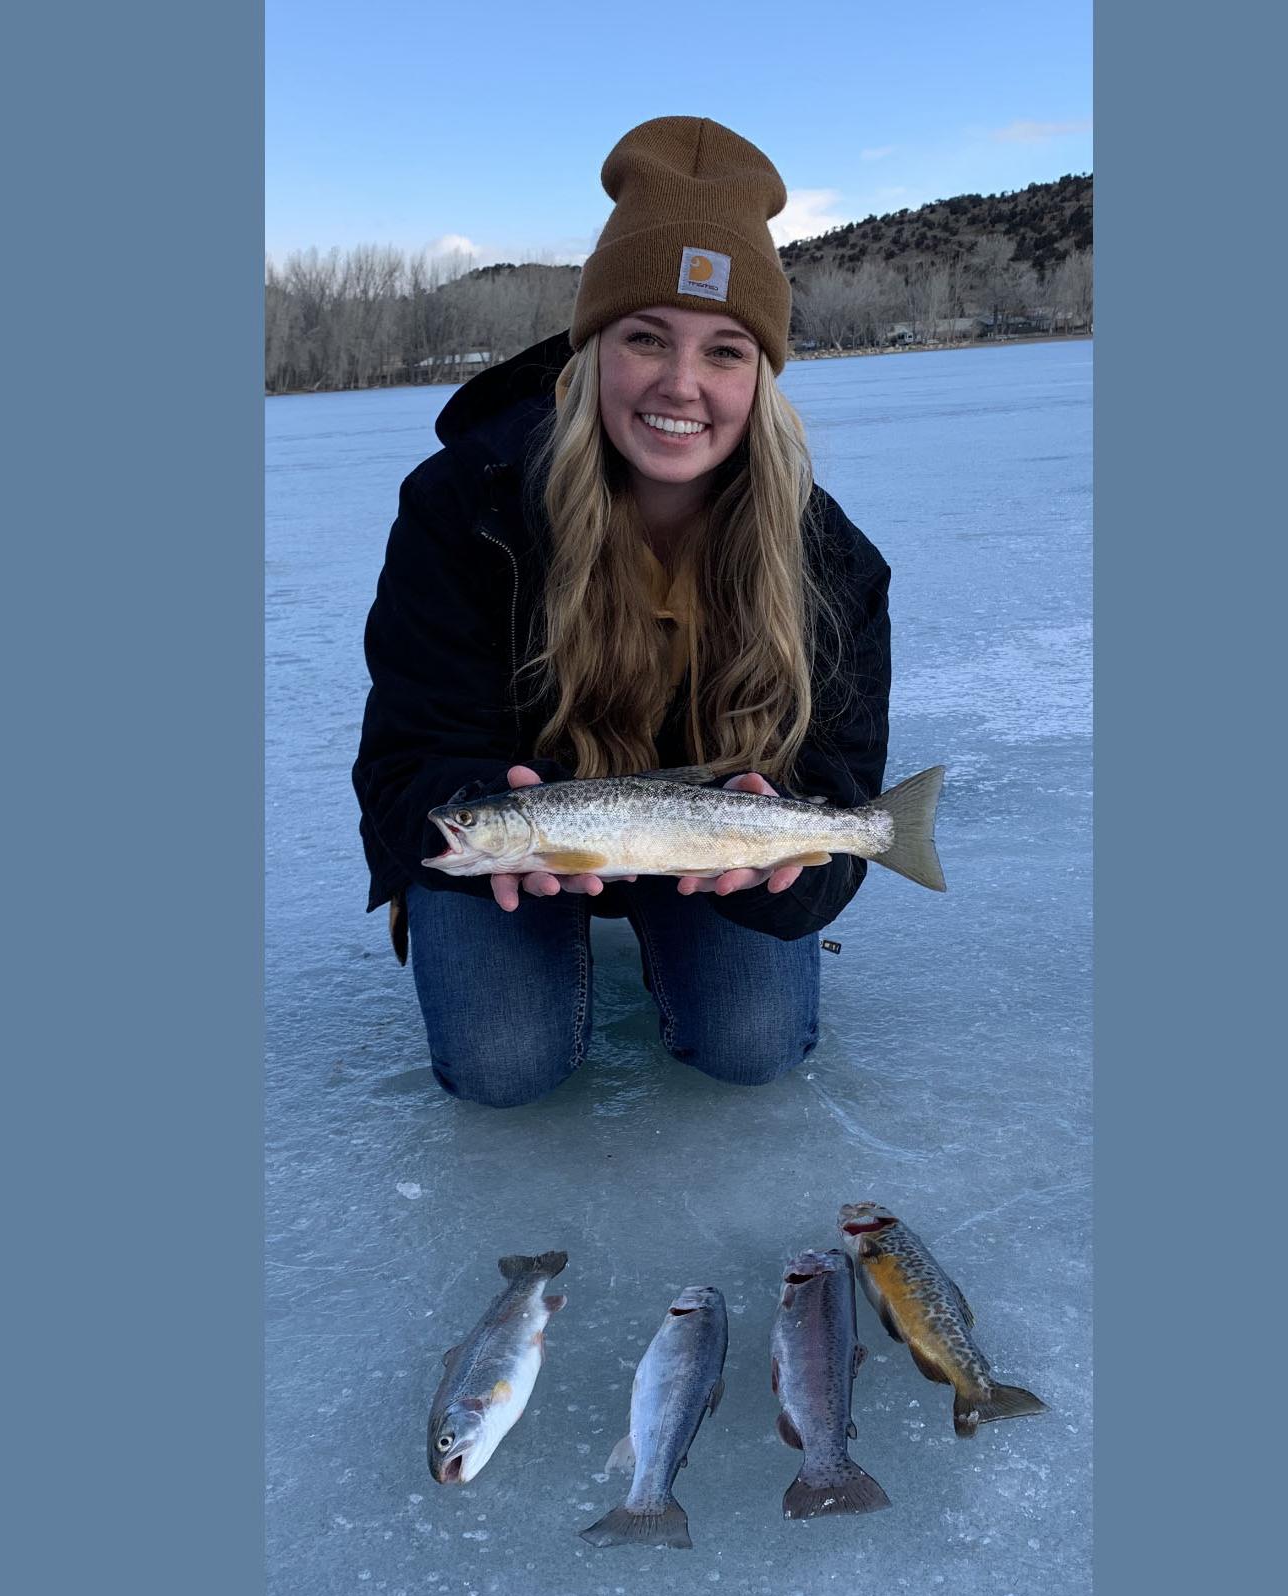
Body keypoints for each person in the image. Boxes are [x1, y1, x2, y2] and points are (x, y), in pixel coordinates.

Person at [352, 116, 892, 1108]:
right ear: (592, 347)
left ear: (761, 378)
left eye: (724, 351)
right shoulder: (460, 506)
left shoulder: (832, 560)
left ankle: (672, 925)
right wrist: (475, 794)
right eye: (645, 337)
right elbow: (405, 751)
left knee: (754, 1044)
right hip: (528, 853)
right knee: (500, 1065)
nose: (680, 385)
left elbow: (837, 769)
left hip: (702, 853)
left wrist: (798, 865)